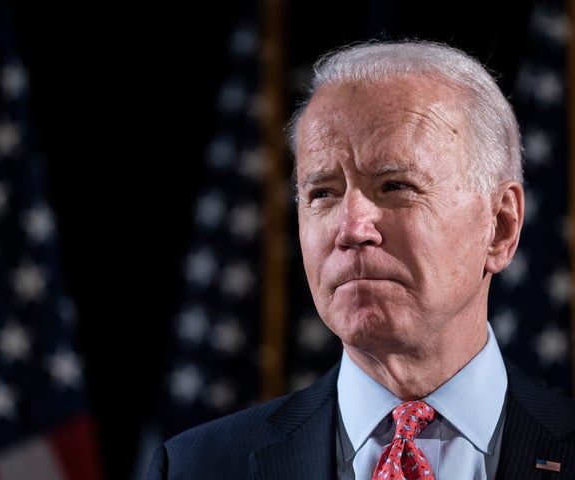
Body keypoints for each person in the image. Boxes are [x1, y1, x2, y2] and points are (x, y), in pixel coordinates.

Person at [146, 38, 575, 479]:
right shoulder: (193, 467)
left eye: (395, 186)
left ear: (500, 227)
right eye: (323, 193)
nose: (351, 229)